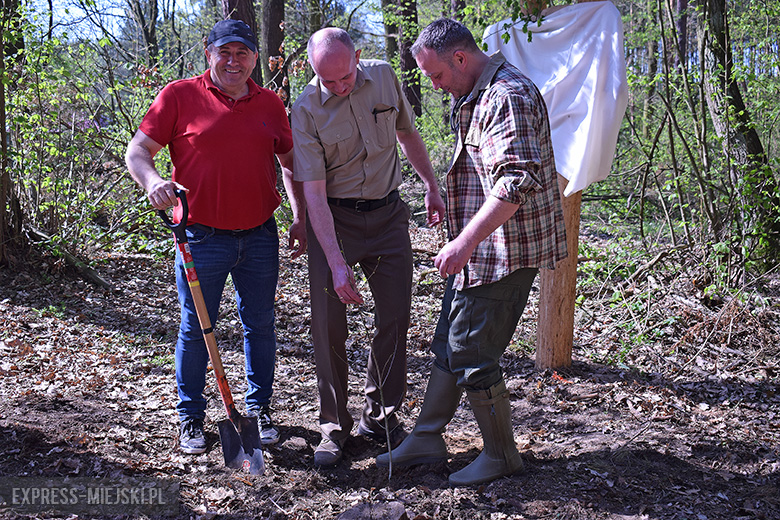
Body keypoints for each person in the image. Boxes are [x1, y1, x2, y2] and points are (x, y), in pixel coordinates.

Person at [377, 18, 567, 486]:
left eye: (438, 76)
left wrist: (463, 242)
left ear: (460, 58)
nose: (437, 87)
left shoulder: (507, 96)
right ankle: (427, 436)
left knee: (472, 351)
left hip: (504, 250)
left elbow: (515, 182)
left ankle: (502, 455)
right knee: (449, 338)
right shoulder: (475, 92)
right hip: (481, 250)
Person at [125, 19, 306, 455]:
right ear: (208, 53)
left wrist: (299, 216)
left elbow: (290, 162)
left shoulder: (270, 104)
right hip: (201, 238)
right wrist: (152, 183)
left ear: (255, 59)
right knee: (195, 328)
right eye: (224, 52)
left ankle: (258, 409)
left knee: (259, 324)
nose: (233, 61)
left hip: (261, 235)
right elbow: (138, 151)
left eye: (242, 53)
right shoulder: (179, 95)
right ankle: (191, 418)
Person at [290, 27, 446, 468]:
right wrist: (337, 263)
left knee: (395, 317)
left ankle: (380, 417)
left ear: (358, 56)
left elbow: (407, 134)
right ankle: (334, 427)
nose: (338, 88)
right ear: (312, 70)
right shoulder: (303, 111)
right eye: (328, 82)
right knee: (328, 326)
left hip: (389, 215)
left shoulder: (382, 76)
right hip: (334, 221)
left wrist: (431, 185)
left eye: (345, 77)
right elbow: (314, 195)